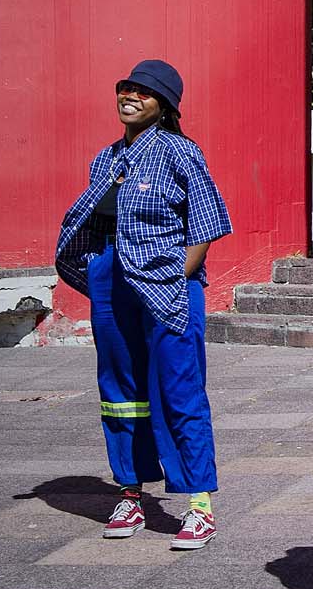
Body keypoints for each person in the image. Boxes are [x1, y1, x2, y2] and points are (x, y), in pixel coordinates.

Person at [55, 59, 231, 550]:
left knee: (179, 388)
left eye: (144, 92)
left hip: (169, 281)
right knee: (119, 387)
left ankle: (198, 506)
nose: (131, 96)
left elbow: (208, 221)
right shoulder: (106, 159)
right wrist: (94, 267)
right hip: (112, 279)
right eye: (126, 88)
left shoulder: (180, 152)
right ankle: (130, 492)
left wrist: (180, 275)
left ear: (164, 105)